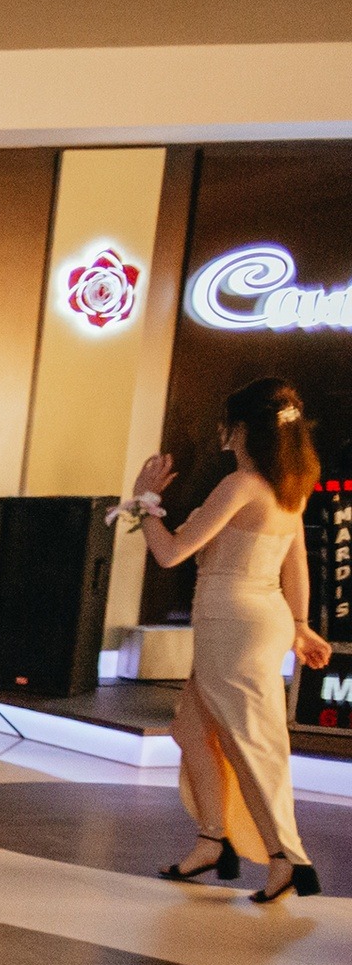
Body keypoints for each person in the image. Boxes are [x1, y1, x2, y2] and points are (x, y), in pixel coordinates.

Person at [128, 376, 332, 902]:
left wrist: (144, 501)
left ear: (241, 428)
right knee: (191, 730)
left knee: (250, 742)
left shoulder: (240, 485)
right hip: (257, 619)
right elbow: (296, 563)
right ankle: (212, 841)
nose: (221, 430)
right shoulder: (286, 486)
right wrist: (300, 624)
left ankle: (288, 858)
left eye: (227, 421)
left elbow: (170, 553)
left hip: (233, 623)